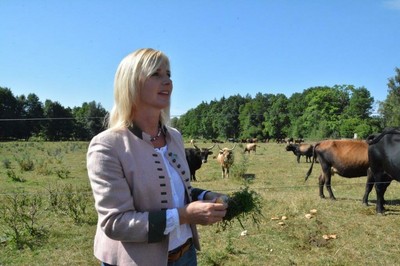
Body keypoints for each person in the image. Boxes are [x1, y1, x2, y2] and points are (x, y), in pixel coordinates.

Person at [87, 48, 228, 266]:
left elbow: (178, 192)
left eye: (169, 75)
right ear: (131, 83)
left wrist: (206, 196)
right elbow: (116, 222)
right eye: (156, 74)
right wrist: (184, 216)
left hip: (186, 255)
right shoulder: (107, 145)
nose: (168, 82)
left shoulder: (175, 137)